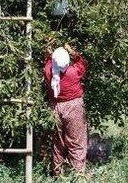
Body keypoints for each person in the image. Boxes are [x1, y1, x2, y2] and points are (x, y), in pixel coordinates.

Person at [43, 42, 88, 177]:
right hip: (74, 107)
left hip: (55, 107)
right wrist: (72, 51)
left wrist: (50, 52)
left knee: (58, 143)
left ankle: (58, 174)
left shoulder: (49, 72)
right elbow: (82, 63)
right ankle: (78, 174)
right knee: (77, 143)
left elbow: (49, 62)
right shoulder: (74, 72)